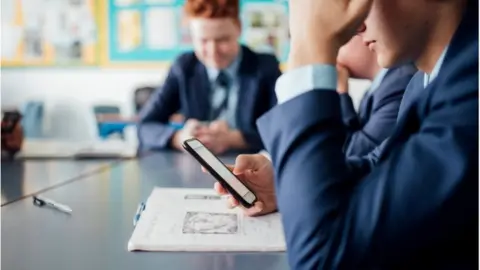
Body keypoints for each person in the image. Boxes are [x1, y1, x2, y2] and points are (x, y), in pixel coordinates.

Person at [212, 0, 478, 268]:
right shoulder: (425, 82)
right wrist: (287, 183)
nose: (357, 26)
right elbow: (380, 166)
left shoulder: (471, 90)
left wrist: (311, 46)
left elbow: (322, 261)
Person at [137, 0, 280, 155]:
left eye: (222, 40)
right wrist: (180, 138)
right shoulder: (184, 67)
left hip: (250, 166)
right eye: (203, 41)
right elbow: (145, 126)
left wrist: (234, 138)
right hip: (192, 169)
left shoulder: (265, 67)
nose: (213, 51)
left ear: (239, 28)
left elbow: (282, 130)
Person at [337, 35, 416, 157]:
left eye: (337, 44)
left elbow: (353, 154)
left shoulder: (400, 83)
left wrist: (340, 94)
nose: (333, 57)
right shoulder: (375, 91)